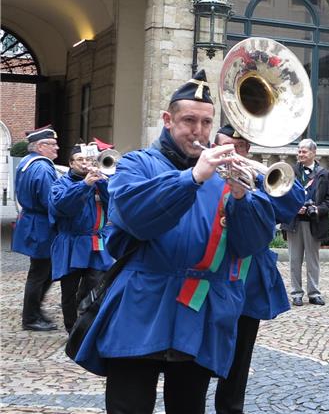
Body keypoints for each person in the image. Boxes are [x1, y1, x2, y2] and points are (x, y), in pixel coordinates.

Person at [71, 70, 279, 414]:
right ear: (168, 120)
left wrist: (244, 197)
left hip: (196, 311)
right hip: (141, 305)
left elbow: (251, 245)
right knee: (128, 407)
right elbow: (135, 216)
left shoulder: (226, 173)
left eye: (206, 123)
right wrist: (195, 177)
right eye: (188, 121)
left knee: (189, 407)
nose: (198, 131)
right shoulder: (137, 163)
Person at [212, 125, 305, 414]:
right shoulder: (203, 175)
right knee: (198, 356)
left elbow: (295, 199)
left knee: (239, 357)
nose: (232, 153)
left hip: (246, 280)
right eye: (226, 146)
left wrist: (258, 171)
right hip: (209, 279)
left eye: (239, 147)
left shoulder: (257, 178)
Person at [49, 141, 114, 333]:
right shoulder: (60, 184)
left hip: (95, 242)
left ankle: (88, 325)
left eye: (88, 159)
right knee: (69, 290)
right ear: (71, 163)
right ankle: (72, 328)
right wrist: (85, 185)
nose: (85, 163)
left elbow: (115, 205)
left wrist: (102, 181)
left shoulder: (100, 182)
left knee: (96, 286)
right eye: (80, 160)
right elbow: (64, 207)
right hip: (71, 242)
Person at [12, 125, 60, 332]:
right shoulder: (42, 167)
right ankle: (31, 317)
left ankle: (35, 312)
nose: (57, 148)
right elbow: (52, 201)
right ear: (40, 146)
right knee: (40, 272)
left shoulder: (27, 162)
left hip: (33, 221)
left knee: (43, 271)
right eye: (53, 144)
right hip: (42, 225)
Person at [285, 138, 329, 307]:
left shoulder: (325, 174)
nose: (300, 154)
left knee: (312, 260)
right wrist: (294, 207)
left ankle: (314, 293)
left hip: (314, 223)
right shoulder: (290, 171)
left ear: (313, 153)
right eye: (299, 151)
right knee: (294, 260)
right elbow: (282, 194)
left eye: (304, 151)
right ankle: (296, 293)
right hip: (294, 221)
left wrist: (316, 209)